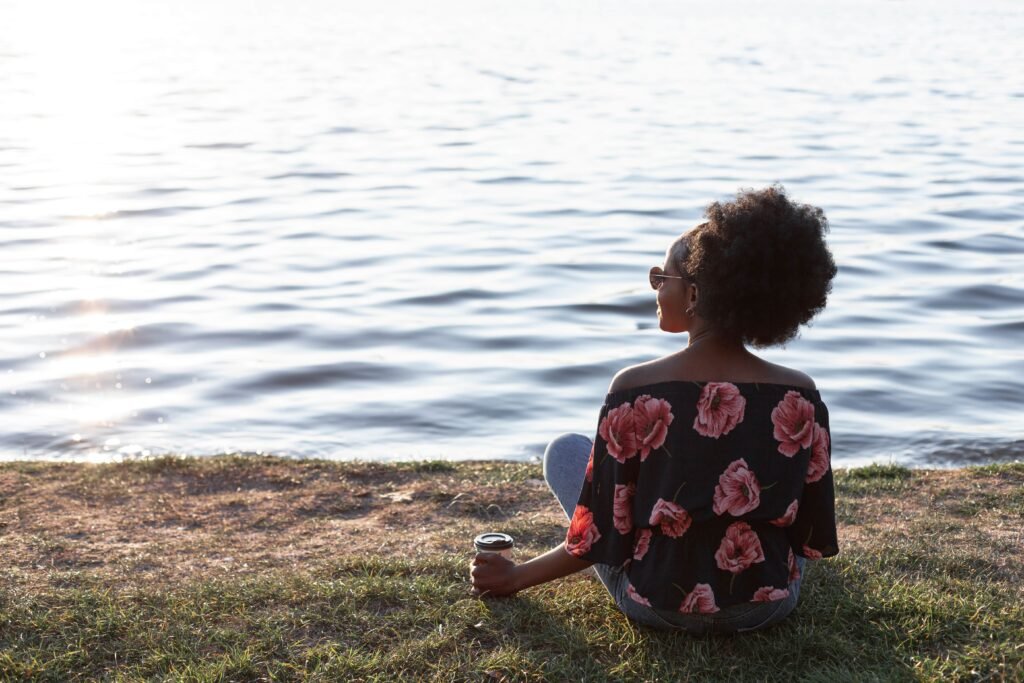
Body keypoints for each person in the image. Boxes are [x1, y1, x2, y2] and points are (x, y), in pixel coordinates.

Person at [470, 185, 840, 634]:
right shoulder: (800, 393)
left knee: (565, 451)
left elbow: (598, 536)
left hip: (656, 604)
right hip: (766, 606)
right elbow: (811, 533)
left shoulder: (635, 389)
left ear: (695, 295)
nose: (657, 289)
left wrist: (512, 577)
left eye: (662, 278)